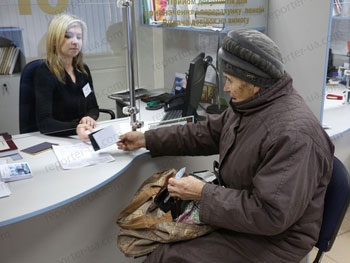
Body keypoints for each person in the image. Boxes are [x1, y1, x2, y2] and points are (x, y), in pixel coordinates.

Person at [117, 29, 334, 262]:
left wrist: (204, 194)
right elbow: (205, 133)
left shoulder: (294, 136)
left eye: (230, 80)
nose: (226, 88)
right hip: (243, 219)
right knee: (158, 243)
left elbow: (270, 215)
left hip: (276, 240)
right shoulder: (251, 105)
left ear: (254, 82)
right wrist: (148, 139)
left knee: (167, 257)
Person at [34, 14, 99, 141]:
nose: (75, 41)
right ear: (54, 41)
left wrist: (90, 117)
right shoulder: (44, 73)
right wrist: (76, 128)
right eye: (68, 36)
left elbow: (93, 107)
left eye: (79, 37)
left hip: (82, 136)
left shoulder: (83, 70)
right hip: (58, 139)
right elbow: (45, 123)